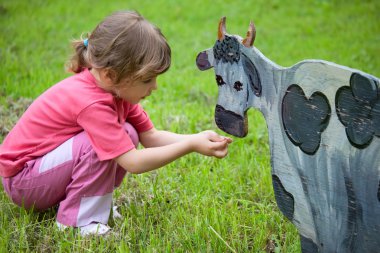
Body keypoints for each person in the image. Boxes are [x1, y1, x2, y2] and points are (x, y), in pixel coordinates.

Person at [0, 10, 232, 236]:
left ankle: (91, 205)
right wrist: (189, 146)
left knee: (128, 133)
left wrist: (196, 138)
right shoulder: (92, 103)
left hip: (43, 172)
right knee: (97, 147)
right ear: (111, 75)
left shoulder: (116, 91)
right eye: (147, 79)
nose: (154, 87)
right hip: (24, 182)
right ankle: (78, 222)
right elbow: (133, 162)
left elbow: (149, 136)